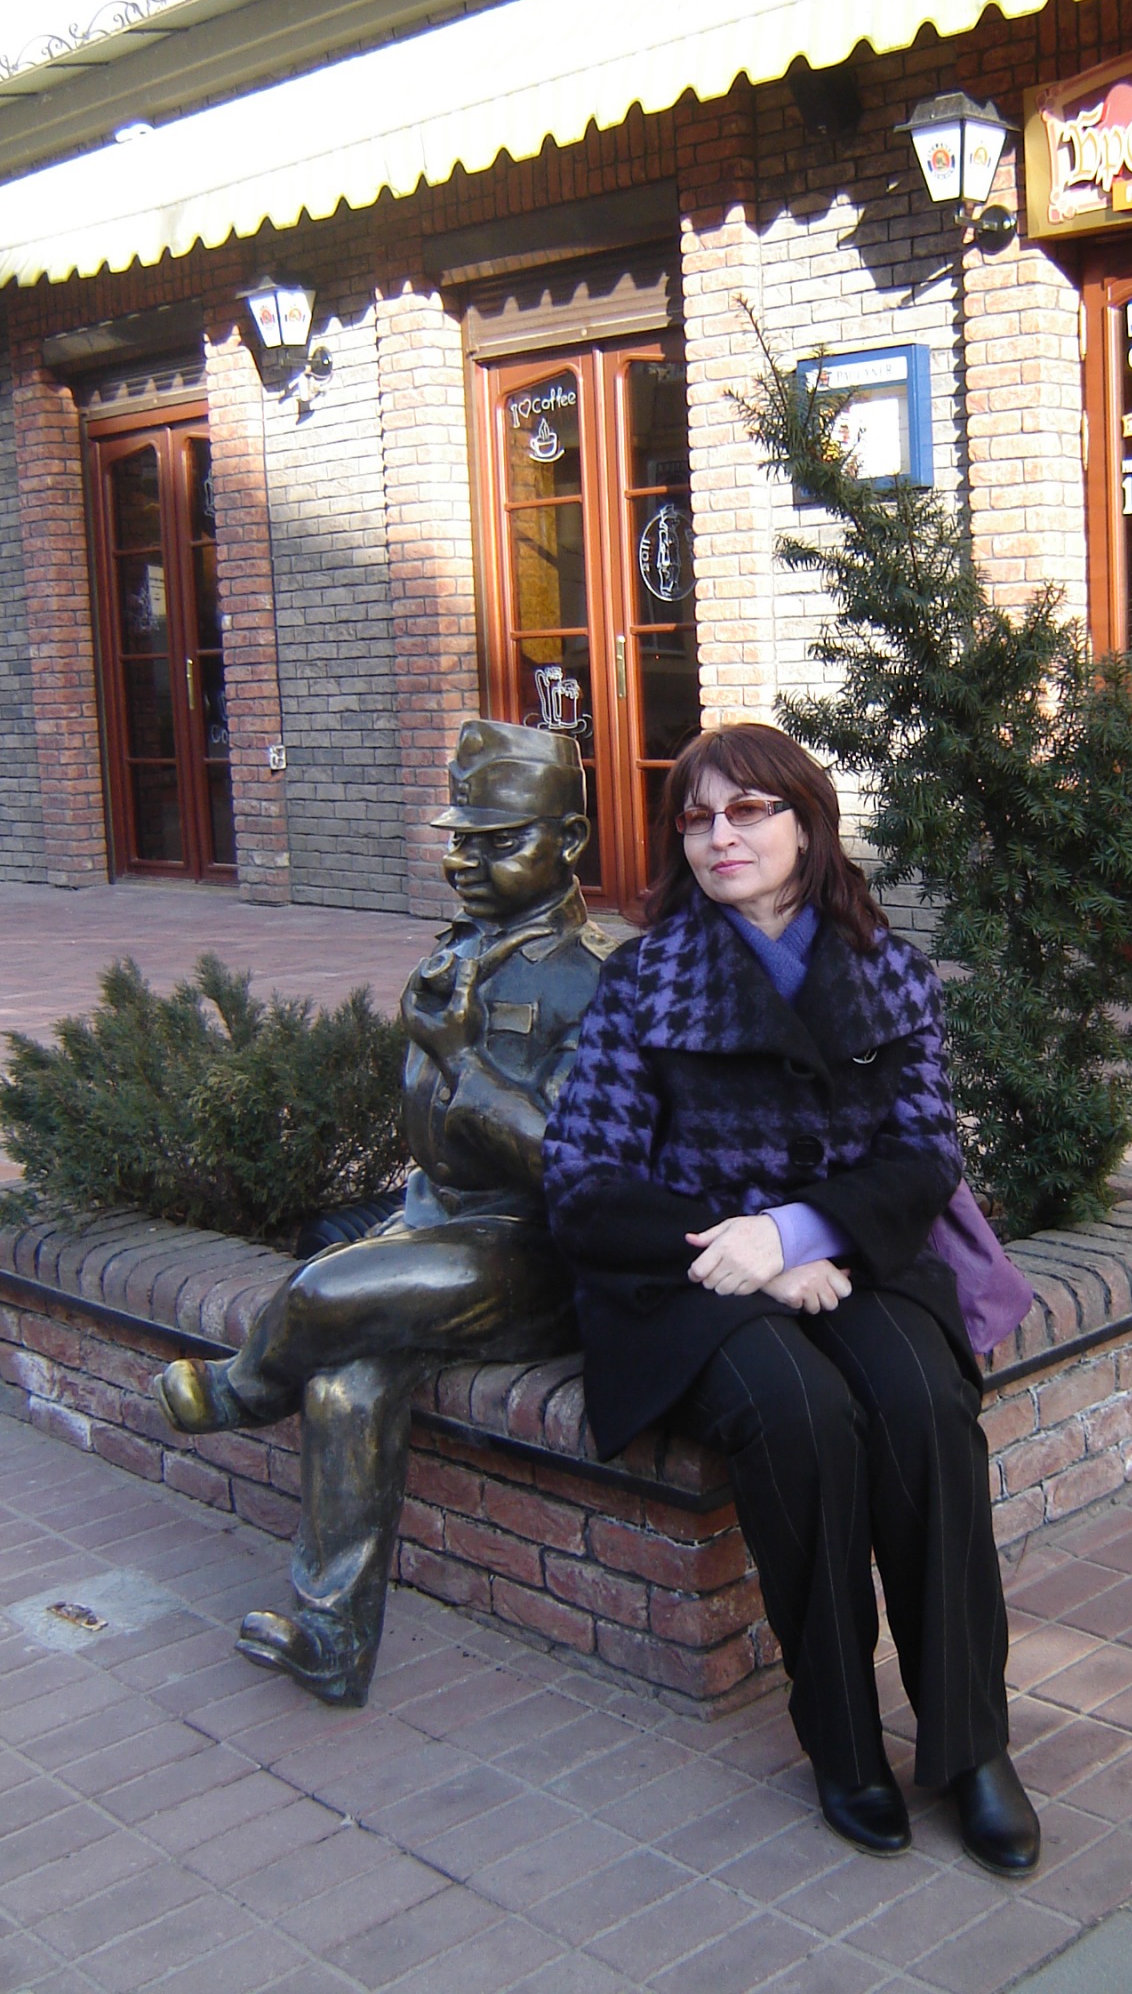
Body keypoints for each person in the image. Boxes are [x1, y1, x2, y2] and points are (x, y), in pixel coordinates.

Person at [542, 723, 1040, 1876]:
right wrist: (753, 1254)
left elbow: (924, 1156)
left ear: (807, 824)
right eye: (696, 818)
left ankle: (971, 1744)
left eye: (748, 810)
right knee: (797, 1412)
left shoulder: (887, 970)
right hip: (686, 1273)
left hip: (848, 1251)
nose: (720, 836)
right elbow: (581, 1180)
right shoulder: (644, 982)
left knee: (923, 1404)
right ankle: (844, 1741)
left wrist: (797, 1230)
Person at [153, 719, 613, 1707]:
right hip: (438, 1218)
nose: (464, 863)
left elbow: (566, 1160)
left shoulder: (596, 981)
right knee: (346, 1383)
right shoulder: (462, 949)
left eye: (497, 842)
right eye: (459, 840)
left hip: (531, 1250)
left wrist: (459, 1058)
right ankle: (333, 1636)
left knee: (324, 1293)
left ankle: (243, 1386)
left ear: (570, 839)